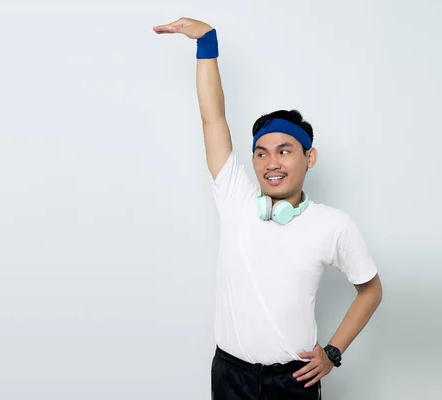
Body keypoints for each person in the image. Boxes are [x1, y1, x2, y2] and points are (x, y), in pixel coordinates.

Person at [153, 17, 383, 400]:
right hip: (230, 376)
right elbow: (213, 119)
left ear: (309, 157)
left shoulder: (333, 225)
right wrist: (207, 45)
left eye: (284, 151)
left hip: (294, 383)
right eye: (261, 153)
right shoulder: (236, 199)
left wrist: (332, 353)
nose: (271, 163)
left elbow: (371, 290)